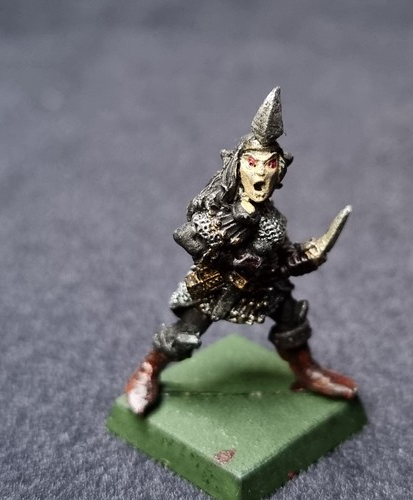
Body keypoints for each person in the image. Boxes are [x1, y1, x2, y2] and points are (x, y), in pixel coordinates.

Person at [125, 88, 357, 414]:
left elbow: (281, 257)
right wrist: (232, 256)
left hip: (263, 286)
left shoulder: (273, 221)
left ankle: (306, 370)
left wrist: (307, 256)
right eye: (252, 163)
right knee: (184, 335)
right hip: (219, 287)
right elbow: (187, 236)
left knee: (292, 319)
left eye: (270, 164)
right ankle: (149, 369)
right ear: (237, 167)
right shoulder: (219, 210)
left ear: (279, 171)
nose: (261, 172)